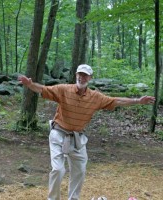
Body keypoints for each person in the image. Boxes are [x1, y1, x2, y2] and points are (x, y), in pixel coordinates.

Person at [18, 64, 155, 200]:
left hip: (77, 137)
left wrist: (138, 100)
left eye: (85, 75)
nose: (81, 78)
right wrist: (30, 85)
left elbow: (116, 101)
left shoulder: (95, 97)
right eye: (79, 74)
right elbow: (43, 89)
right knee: (58, 170)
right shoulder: (63, 89)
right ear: (76, 75)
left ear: (90, 78)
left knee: (80, 171)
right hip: (58, 134)